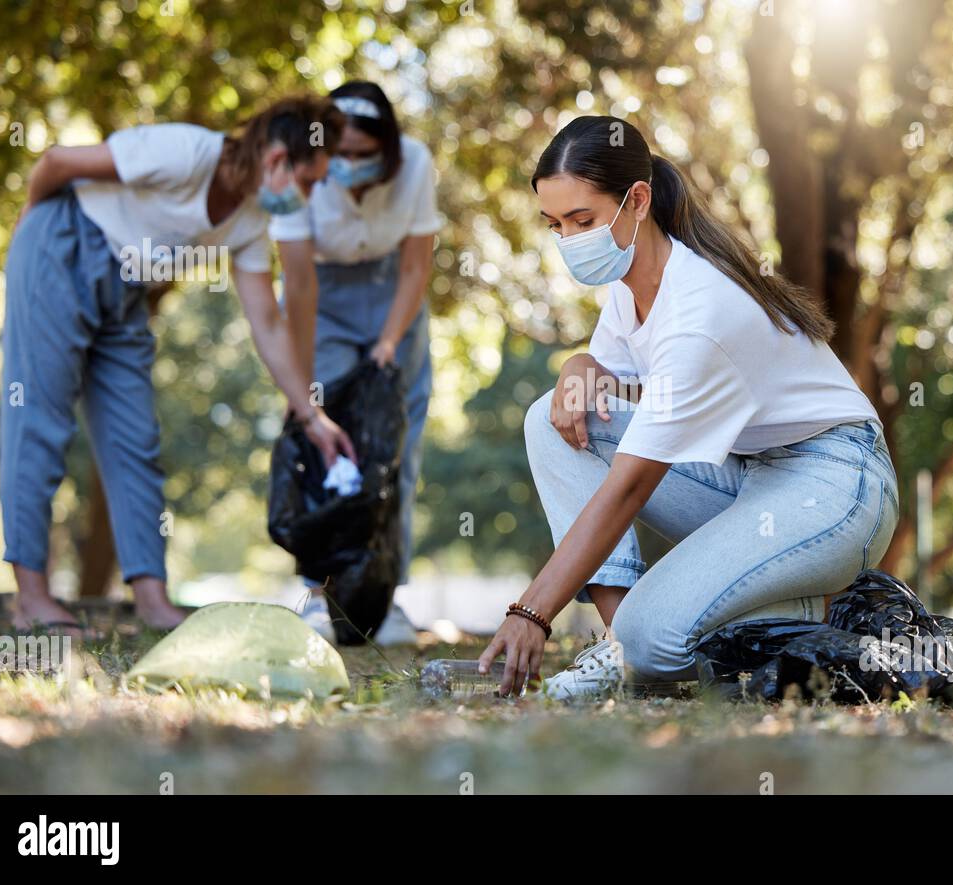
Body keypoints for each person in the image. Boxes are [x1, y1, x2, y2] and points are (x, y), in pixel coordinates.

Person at [476, 116, 898, 699]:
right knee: (550, 417)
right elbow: (598, 394)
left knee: (655, 641)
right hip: (748, 479)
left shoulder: (699, 311)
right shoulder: (630, 288)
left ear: (637, 201)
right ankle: (617, 647)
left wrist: (532, 611)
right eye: (556, 225)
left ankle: (832, 620)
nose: (570, 241)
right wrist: (578, 365)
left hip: (834, 485)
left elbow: (629, 487)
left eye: (583, 220)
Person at [1, 97, 356, 636]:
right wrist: (31, 228)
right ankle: (30, 597)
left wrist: (312, 416)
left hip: (126, 293)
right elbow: (56, 163)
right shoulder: (184, 151)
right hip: (62, 245)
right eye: (310, 183)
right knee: (41, 422)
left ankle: (152, 600)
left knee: (135, 441)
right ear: (279, 160)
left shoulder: (250, 221)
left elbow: (266, 322)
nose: (308, 198)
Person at [273, 81, 441, 646]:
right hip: (321, 300)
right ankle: (318, 596)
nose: (346, 164)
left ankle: (383, 598)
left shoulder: (416, 164)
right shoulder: (303, 172)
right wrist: (303, 384)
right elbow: (297, 281)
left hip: (395, 297)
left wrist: (389, 343)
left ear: (387, 149)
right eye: (338, 155)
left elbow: (417, 268)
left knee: (397, 454)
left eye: (361, 155)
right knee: (326, 449)